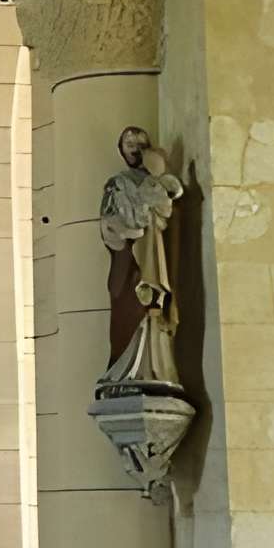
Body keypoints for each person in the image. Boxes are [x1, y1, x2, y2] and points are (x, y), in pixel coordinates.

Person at [99, 126, 184, 388]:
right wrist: (134, 224)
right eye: (128, 143)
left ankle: (157, 370)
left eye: (139, 143)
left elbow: (167, 209)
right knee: (129, 308)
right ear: (121, 149)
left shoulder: (157, 183)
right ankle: (124, 372)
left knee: (154, 309)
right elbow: (111, 224)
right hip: (128, 261)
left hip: (154, 259)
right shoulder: (117, 184)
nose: (134, 148)